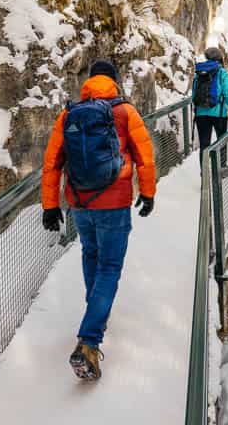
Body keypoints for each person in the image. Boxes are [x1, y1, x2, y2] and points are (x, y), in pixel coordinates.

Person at [41, 59, 155, 381]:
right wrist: (147, 194)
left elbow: (52, 163)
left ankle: (96, 313)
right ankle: (89, 341)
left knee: (90, 254)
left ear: (89, 83)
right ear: (116, 82)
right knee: (109, 266)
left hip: (79, 202)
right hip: (114, 202)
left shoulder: (69, 113)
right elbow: (145, 159)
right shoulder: (125, 112)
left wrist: (50, 206)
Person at [193, 46, 228, 175]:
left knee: (204, 144)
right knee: (221, 141)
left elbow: (193, 96)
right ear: (220, 58)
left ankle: (205, 172)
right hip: (219, 114)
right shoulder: (222, 72)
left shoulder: (199, 72)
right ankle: (222, 168)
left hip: (201, 114)